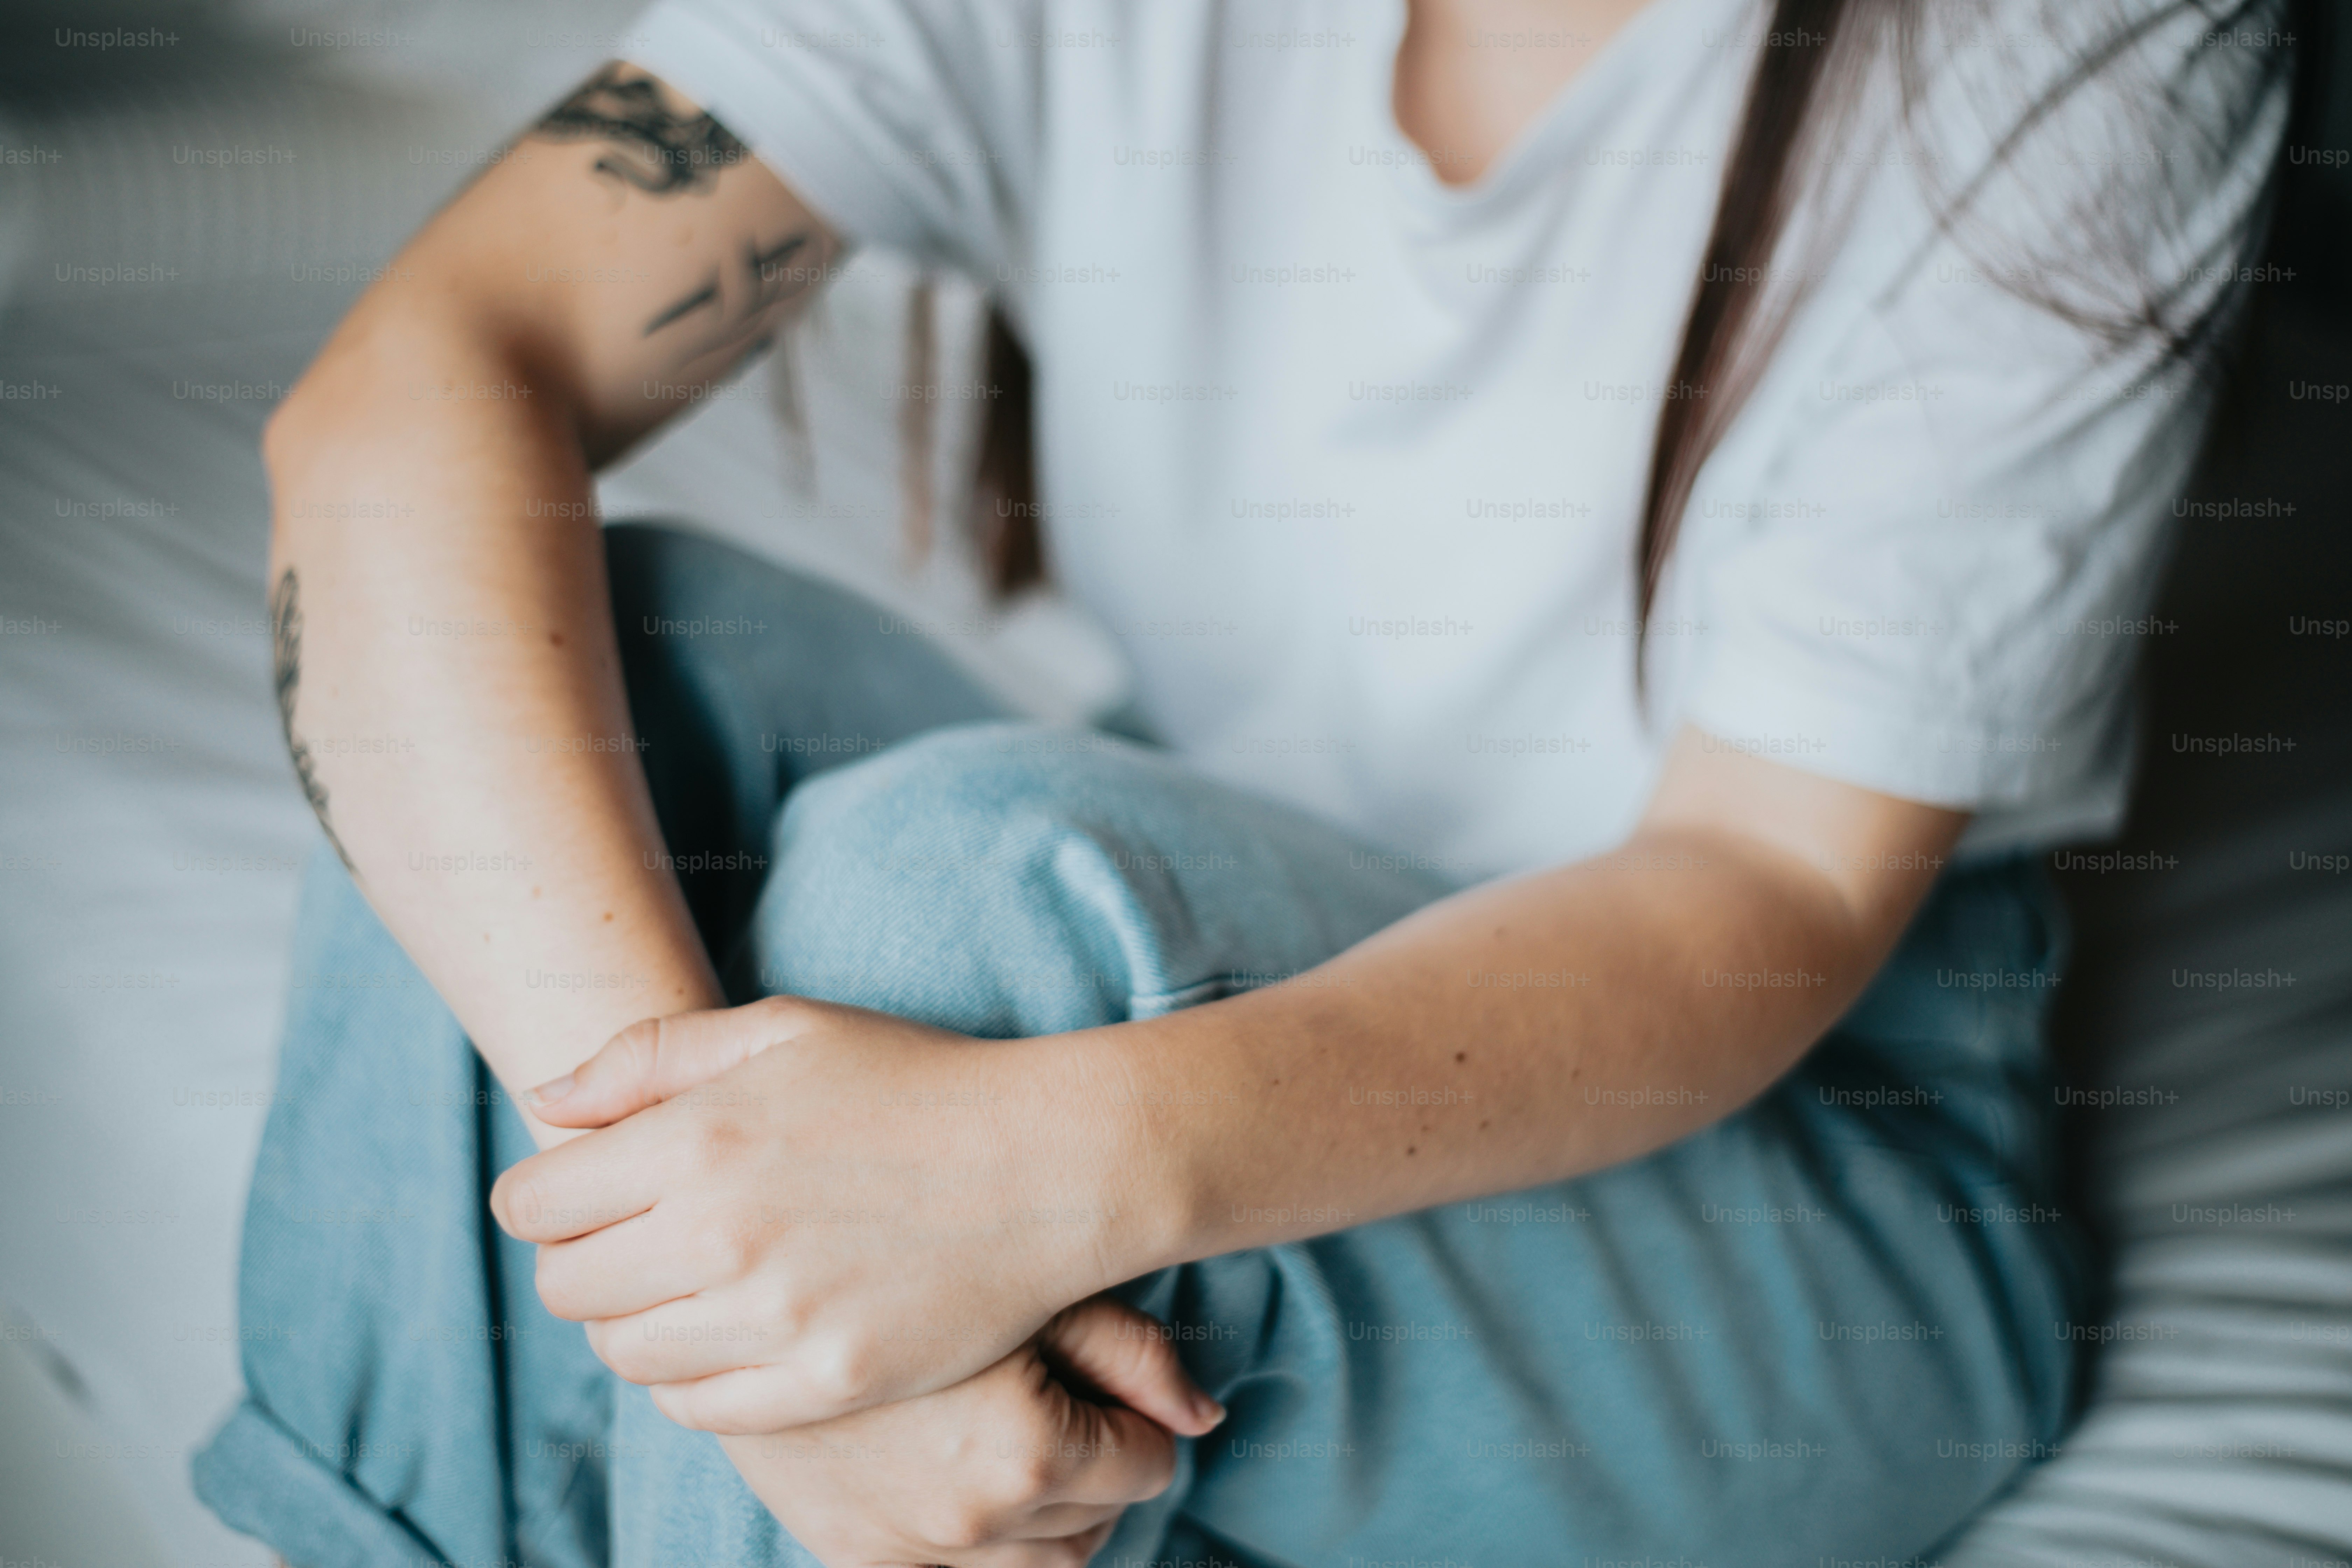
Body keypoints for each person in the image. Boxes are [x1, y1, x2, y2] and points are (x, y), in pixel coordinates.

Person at [192, 0, 2296, 1564]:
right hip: (1225, 885)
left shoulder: (2082, 37)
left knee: (950, 900)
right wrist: (758, 1310)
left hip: (1818, 1156)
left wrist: (1019, 1176)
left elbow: (1766, 887)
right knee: (544, 671)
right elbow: (418, 393)